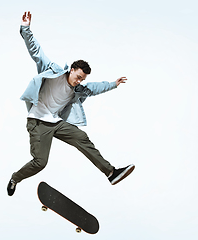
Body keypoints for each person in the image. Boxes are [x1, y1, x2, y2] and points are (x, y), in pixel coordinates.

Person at [7, 11, 135, 196]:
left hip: (56, 123)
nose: (79, 81)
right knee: (40, 162)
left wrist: (113, 84)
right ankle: (15, 178)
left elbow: (94, 87)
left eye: (81, 79)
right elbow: (36, 51)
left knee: (81, 138)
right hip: (37, 122)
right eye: (78, 77)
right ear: (72, 69)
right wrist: (25, 28)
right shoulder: (53, 71)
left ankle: (111, 173)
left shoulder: (78, 90)